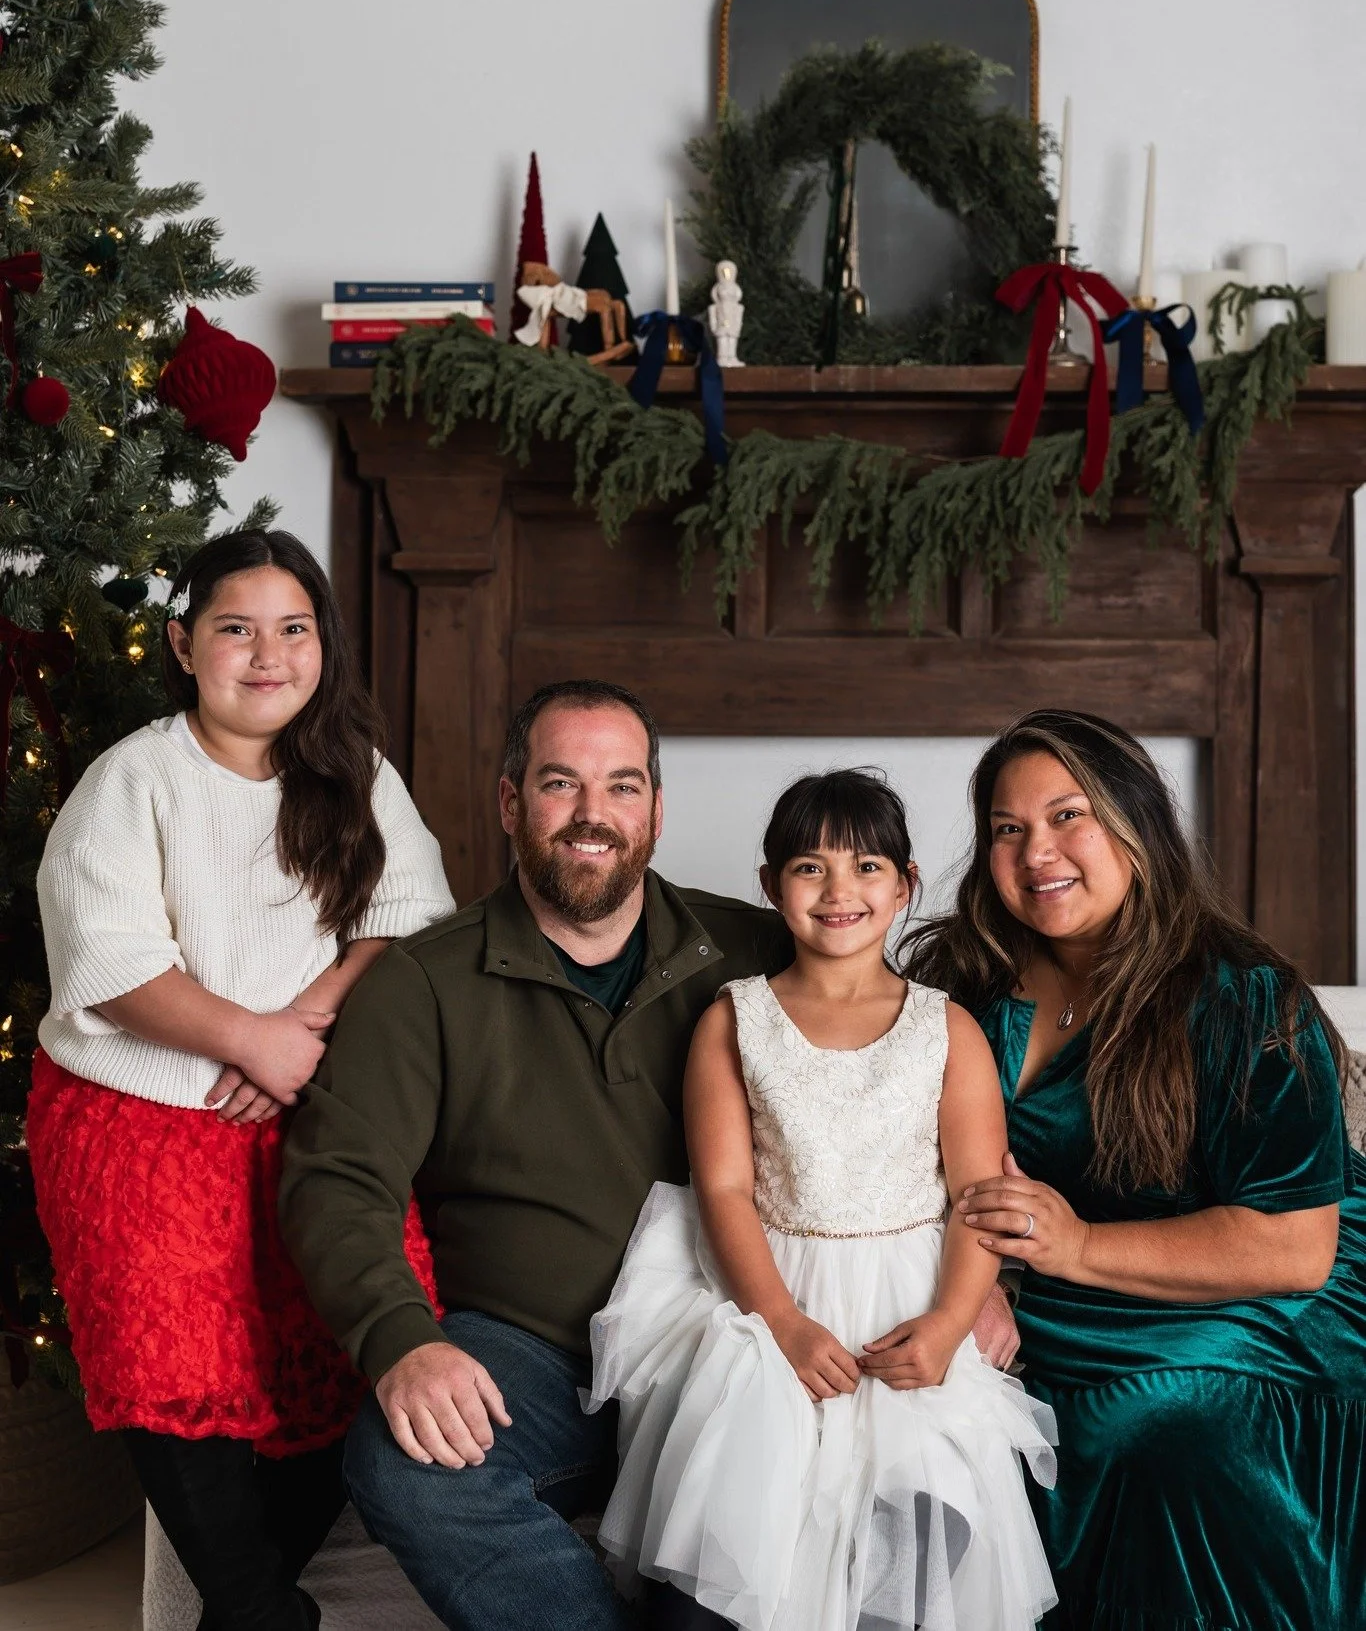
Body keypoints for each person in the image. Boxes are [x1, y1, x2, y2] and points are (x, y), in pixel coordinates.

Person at [280, 684, 1020, 1631]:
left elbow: (916, 1085)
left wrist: (976, 1274)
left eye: (622, 785)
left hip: (742, 1334)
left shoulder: (763, 947)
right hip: (536, 1349)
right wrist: (402, 1338)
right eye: (560, 782)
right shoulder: (425, 982)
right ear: (511, 803)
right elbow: (338, 1180)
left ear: (657, 812)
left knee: (913, 1482)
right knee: (398, 1458)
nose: (594, 813)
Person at [27, 529, 454, 1631]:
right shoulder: (135, 780)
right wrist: (240, 1038)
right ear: (182, 643)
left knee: (341, 1337)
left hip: (308, 1093)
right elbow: (108, 958)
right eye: (234, 629)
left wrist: (296, 1032)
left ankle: (246, 1616)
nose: (266, 656)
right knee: (169, 1371)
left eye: (293, 629)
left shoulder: (356, 774)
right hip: (136, 1112)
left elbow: (405, 925)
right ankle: (262, 1614)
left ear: (323, 645)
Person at [904, 708, 1366, 1631]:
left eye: (1069, 814)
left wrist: (1070, 1244)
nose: (1039, 851)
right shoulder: (962, 975)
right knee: (958, 1420)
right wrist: (979, 1278)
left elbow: (1296, 1245)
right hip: (1063, 1292)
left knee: (1150, 1419)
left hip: (1262, 1290)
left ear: (1137, 823)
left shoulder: (1240, 992)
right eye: (1008, 828)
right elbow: (900, 1152)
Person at [588, 769, 1058, 1631]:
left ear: (907, 884)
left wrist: (953, 1320)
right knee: (727, 1561)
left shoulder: (945, 1028)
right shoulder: (734, 1020)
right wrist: (781, 1321)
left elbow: (979, 1198)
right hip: (770, 1299)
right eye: (809, 867)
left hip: (909, 1307)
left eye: (868, 867)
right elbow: (724, 1188)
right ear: (770, 887)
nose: (840, 890)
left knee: (914, 1549)